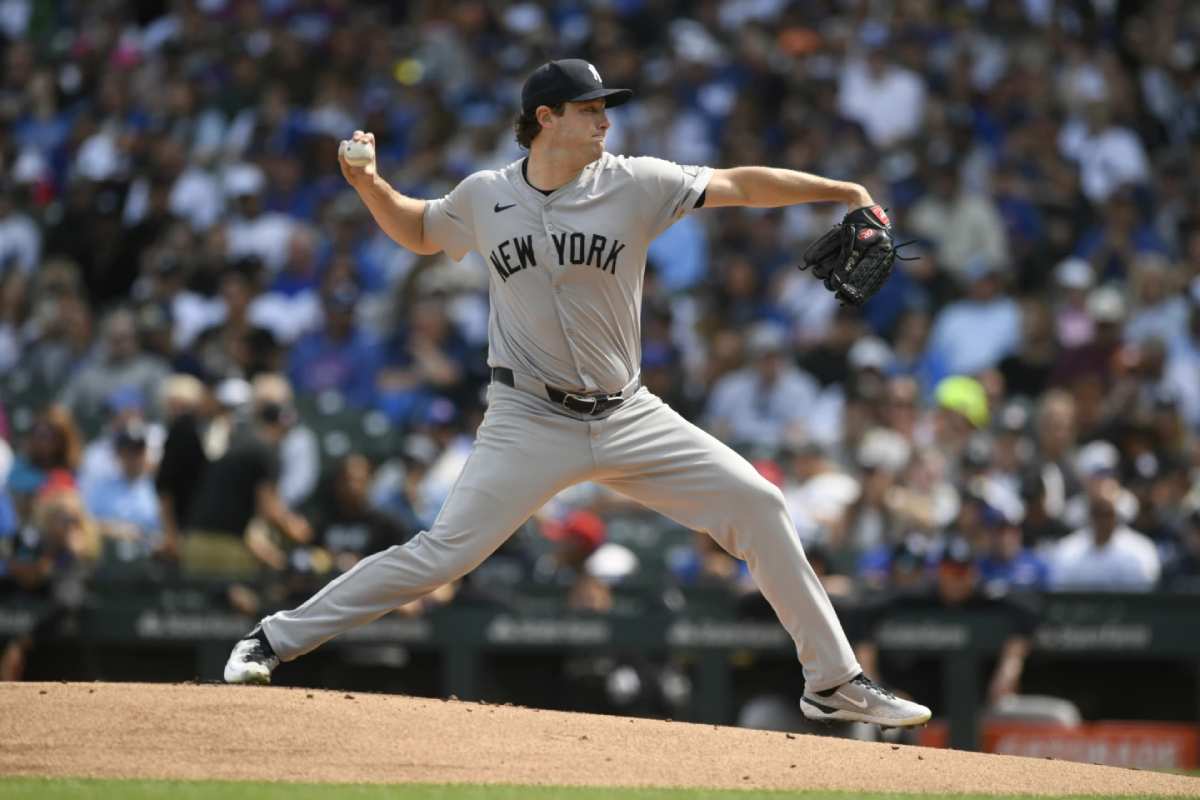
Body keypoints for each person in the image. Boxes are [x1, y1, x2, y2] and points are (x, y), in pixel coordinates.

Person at [223, 58, 930, 728]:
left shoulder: (637, 181)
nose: (605, 122)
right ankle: (272, 640)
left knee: (758, 503)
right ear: (546, 117)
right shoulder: (485, 194)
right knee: (442, 554)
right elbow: (417, 230)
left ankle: (831, 681)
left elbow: (742, 183)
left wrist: (842, 192)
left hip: (628, 412)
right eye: (590, 109)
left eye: (605, 110)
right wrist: (369, 186)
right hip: (526, 416)